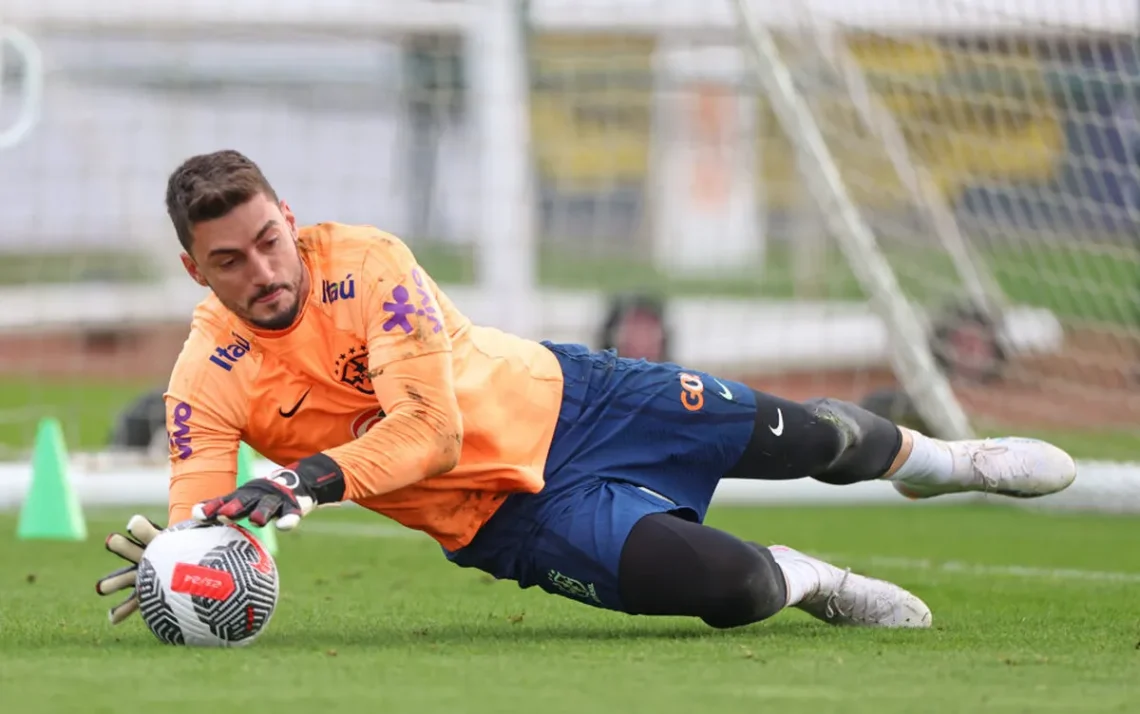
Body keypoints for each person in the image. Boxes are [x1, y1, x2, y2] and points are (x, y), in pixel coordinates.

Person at [95, 150, 1077, 631]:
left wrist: (303, 482)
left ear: (289, 221)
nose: (263, 269)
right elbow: (206, 509)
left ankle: (945, 462)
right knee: (734, 592)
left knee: (813, 440)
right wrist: (183, 561)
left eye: (269, 240)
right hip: (503, 522)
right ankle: (810, 574)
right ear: (198, 272)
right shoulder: (206, 379)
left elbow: (428, 432)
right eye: (231, 259)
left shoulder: (367, 265)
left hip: (578, 399)